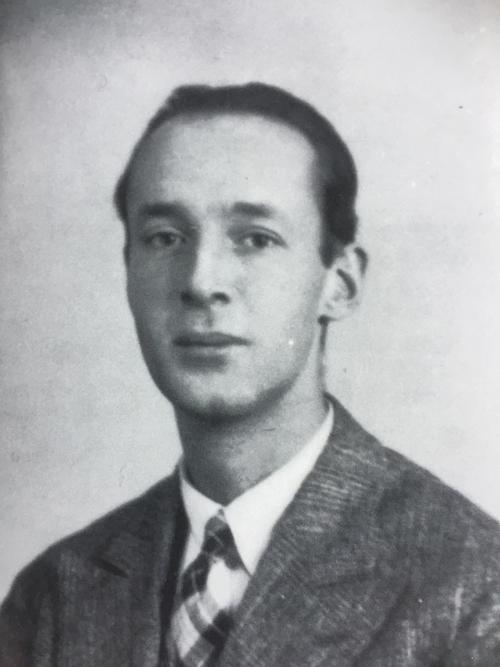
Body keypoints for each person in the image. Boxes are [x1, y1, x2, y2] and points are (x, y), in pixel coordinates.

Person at [1, 83, 499, 667]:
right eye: (165, 238)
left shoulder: (472, 588)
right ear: (128, 271)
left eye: (256, 239)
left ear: (340, 283)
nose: (201, 281)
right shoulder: (53, 598)